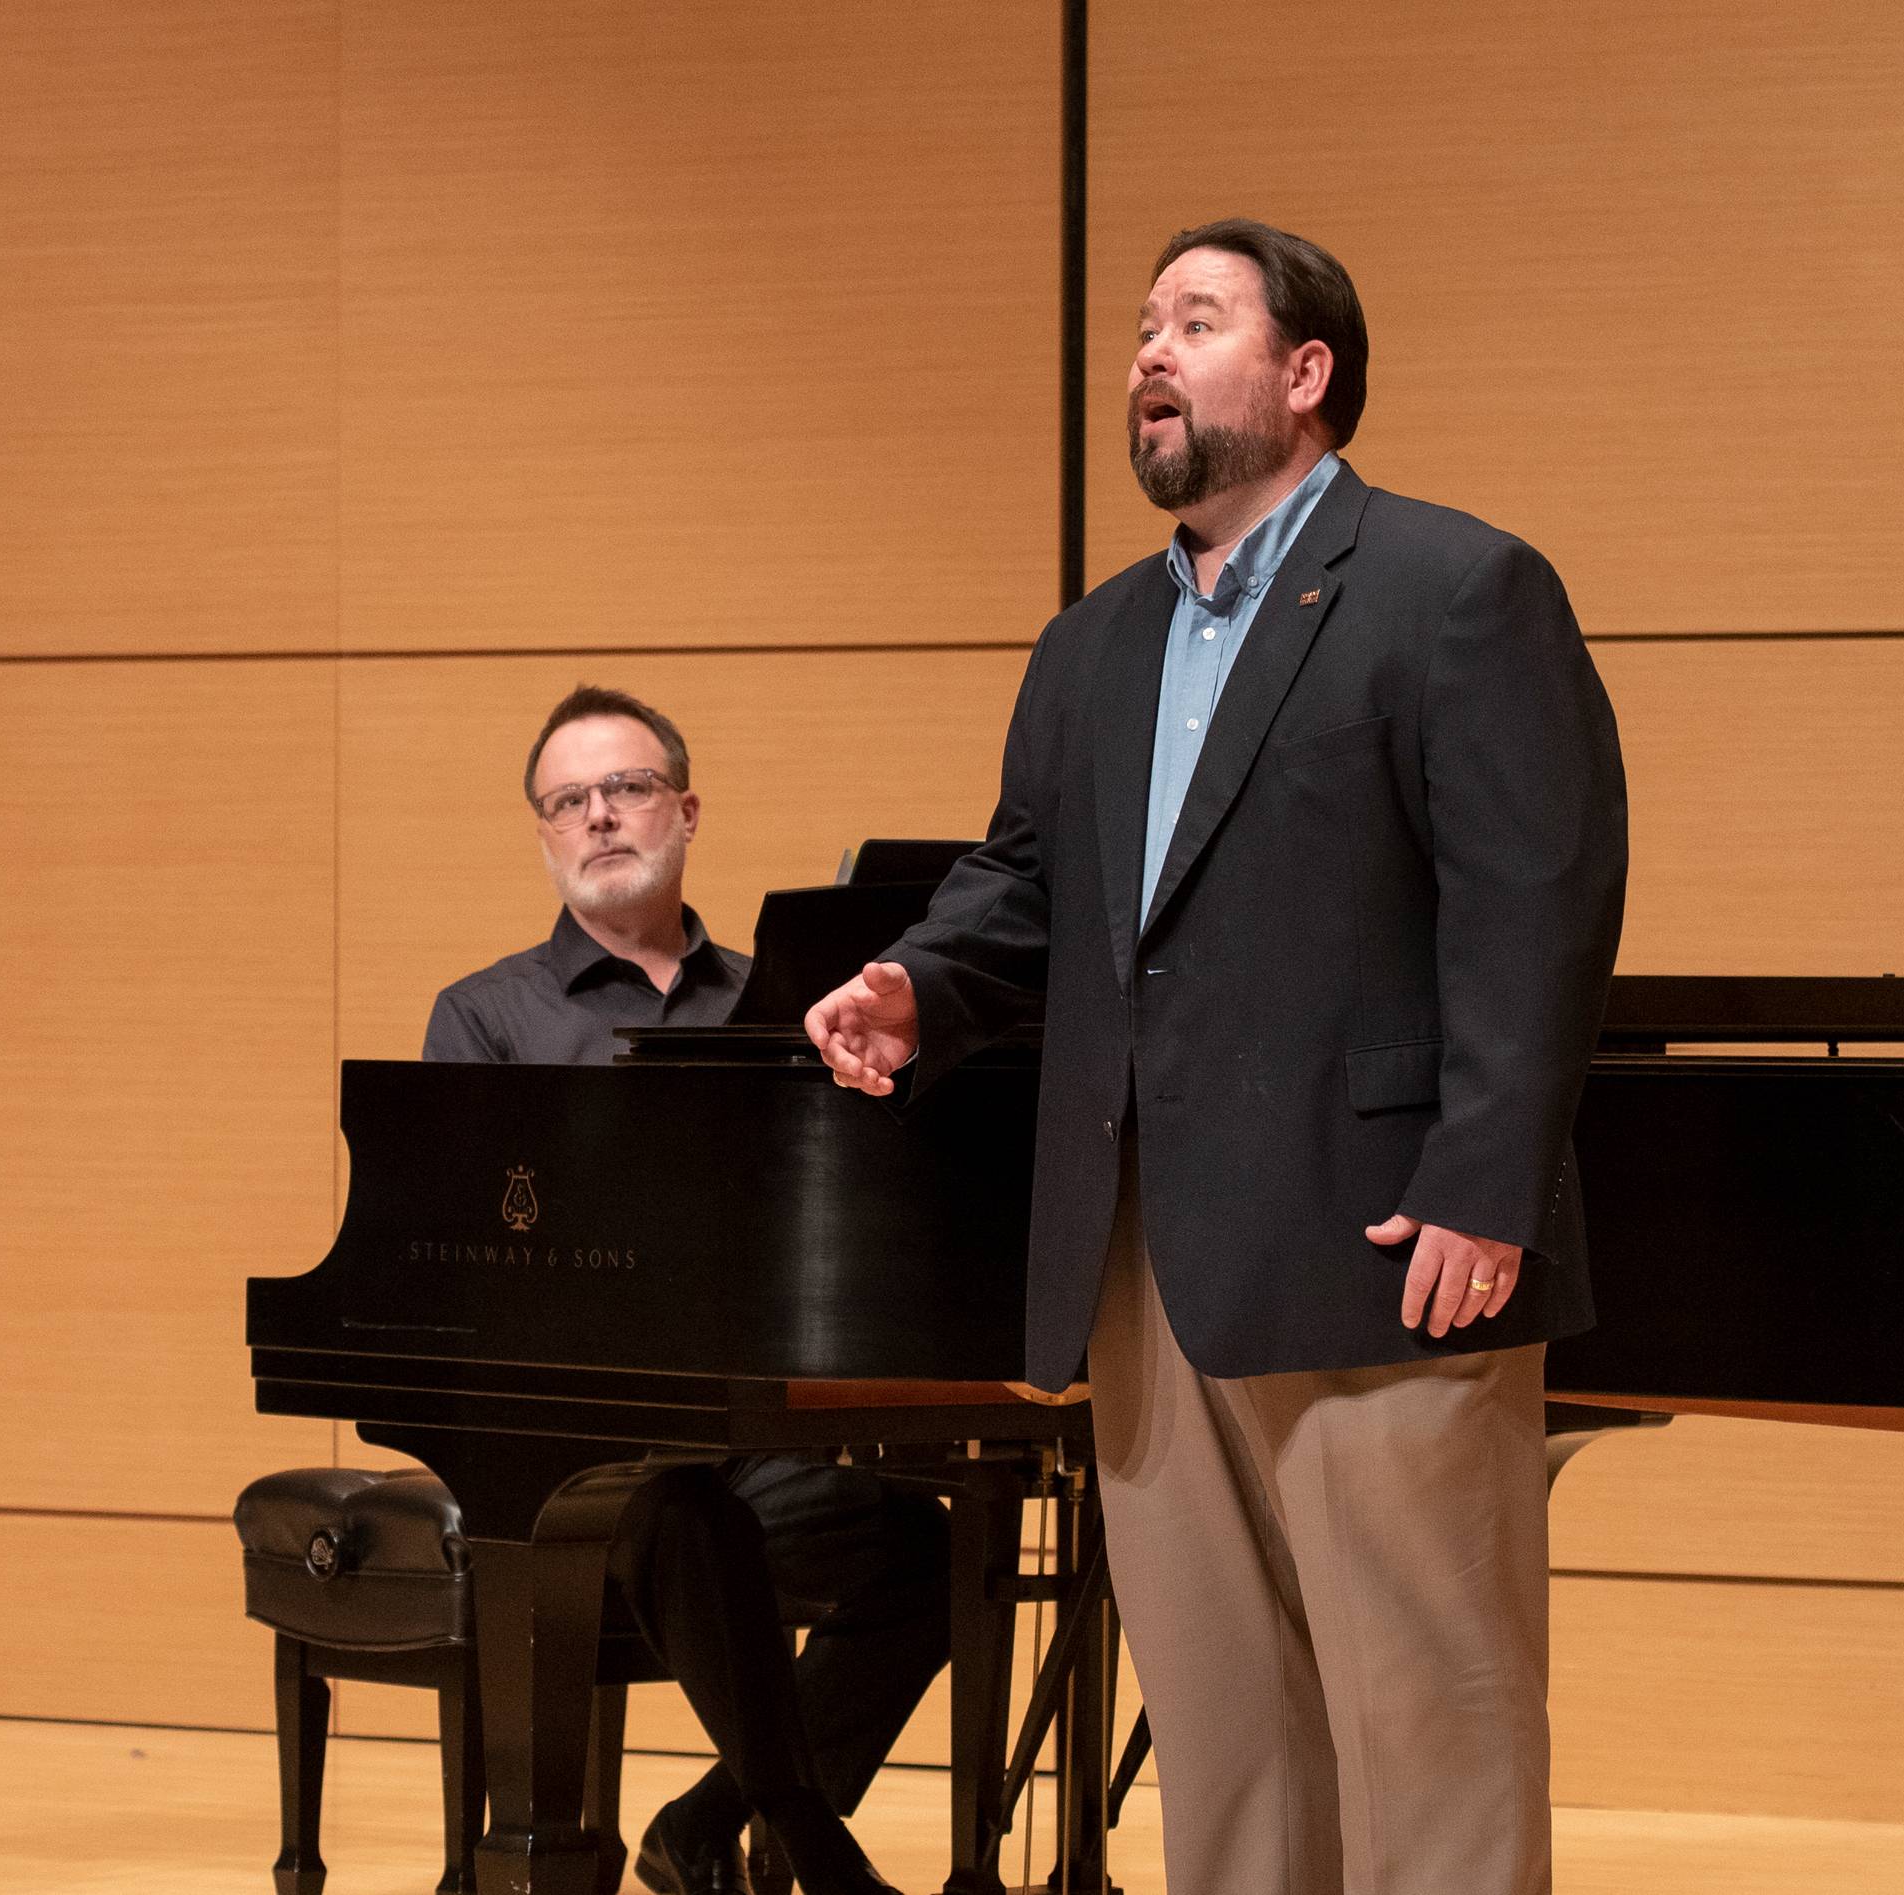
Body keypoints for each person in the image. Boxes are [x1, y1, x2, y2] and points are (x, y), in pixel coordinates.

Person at [804, 221, 1627, 1895]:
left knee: (1426, 1712)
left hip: (1380, 1248)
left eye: (1193, 320)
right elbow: (1026, 879)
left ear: (1304, 374)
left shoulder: (1454, 591)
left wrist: (1484, 1188)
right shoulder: (1089, 642)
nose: (1146, 357)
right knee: (1225, 1726)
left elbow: (1531, 906)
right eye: (1138, 329)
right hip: (1137, 1259)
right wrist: (917, 982)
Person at [430, 686, 945, 1895]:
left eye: (627, 788)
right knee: (683, 1510)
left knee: (920, 1546)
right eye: (569, 801)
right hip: (570, 1460)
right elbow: (470, 1267)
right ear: (545, 834)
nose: (600, 816)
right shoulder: (486, 1016)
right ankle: (808, 1838)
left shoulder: (782, 1005)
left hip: (746, 1424)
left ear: (686, 809)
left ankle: (709, 1820)